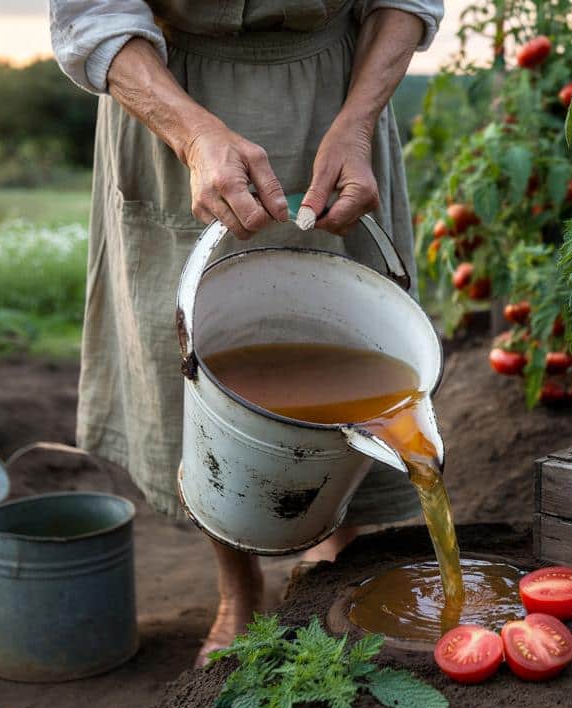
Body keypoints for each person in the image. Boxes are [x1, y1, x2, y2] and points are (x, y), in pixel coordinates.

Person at [48, 0, 443, 665]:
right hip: (174, 96)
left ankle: (335, 559)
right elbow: (94, 15)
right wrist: (194, 136)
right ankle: (239, 588)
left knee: (350, 334)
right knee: (205, 358)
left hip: (336, 97)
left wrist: (358, 122)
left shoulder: (351, 115)